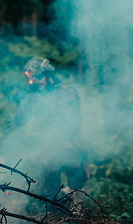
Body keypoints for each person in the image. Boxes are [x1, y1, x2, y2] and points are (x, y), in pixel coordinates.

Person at [14, 57, 87, 197]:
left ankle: (76, 200)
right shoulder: (33, 96)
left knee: (73, 169)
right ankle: (56, 203)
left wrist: (42, 100)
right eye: (31, 78)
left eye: (38, 77)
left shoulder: (66, 92)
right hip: (47, 147)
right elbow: (18, 121)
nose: (35, 81)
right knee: (45, 195)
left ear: (47, 75)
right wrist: (27, 101)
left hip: (69, 143)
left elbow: (71, 122)